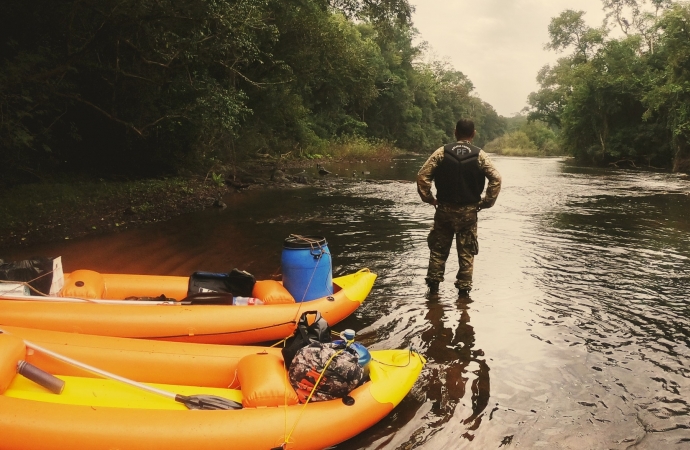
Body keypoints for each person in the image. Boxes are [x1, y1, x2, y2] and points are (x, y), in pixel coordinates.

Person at [416, 119, 502, 295]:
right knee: (466, 254)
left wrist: (430, 199)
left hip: (444, 211)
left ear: (455, 132)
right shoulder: (480, 155)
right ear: (473, 134)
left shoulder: (441, 152)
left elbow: (422, 176)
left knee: (438, 251)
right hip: (469, 213)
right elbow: (496, 179)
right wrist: (486, 202)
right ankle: (463, 296)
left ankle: (433, 291)